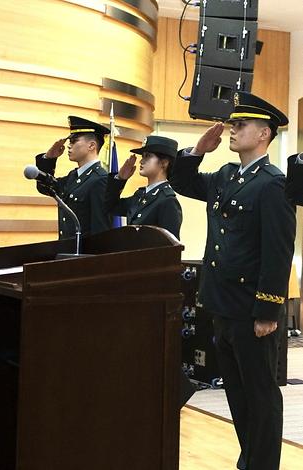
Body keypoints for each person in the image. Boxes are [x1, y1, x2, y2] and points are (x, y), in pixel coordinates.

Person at [169, 91, 296, 470]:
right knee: (237, 395)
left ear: (264, 134)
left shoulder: (273, 184)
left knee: (260, 396)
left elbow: (278, 251)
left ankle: (264, 464)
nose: (232, 130)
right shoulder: (225, 176)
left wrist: (268, 310)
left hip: (250, 309)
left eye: (241, 125)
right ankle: (250, 460)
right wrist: (197, 150)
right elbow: (182, 181)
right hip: (221, 304)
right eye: (233, 123)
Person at [35, 116, 112, 239]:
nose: (69, 146)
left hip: (83, 255)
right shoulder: (74, 176)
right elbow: (45, 188)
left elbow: (100, 231)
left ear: (91, 146)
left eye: (74, 141)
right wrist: (49, 158)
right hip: (68, 251)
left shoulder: (100, 179)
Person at [105, 135, 182, 239]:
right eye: (143, 156)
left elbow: (170, 248)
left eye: (148, 156)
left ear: (164, 163)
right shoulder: (140, 195)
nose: (141, 161)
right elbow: (109, 207)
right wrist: (120, 179)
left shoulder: (167, 201)